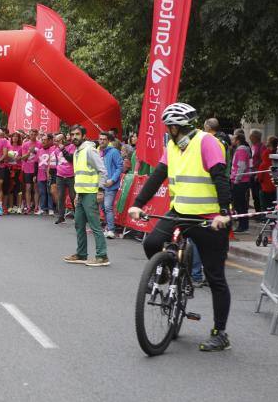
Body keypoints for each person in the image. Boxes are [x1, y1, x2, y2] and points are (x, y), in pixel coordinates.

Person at [128, 102, 233, 352]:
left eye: (169, 126)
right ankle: (165, 271)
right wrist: (137, 203)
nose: (167, 130)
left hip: (208, 218)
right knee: (152, 243)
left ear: (177, 127)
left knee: (215, 276)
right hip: (179, 211)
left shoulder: (207, 142)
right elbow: (157, 177)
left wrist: (224, 213)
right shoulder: (173, 147)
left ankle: (220, 334)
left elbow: (220, 177)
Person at [63, 125, 109, 267]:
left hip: (91, 193)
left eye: (77, 134)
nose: (74, 137)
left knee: (95, 225)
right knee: (79, 224)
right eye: (72, 134)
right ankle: (81, 254)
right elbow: (80, 175)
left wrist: (100, 190)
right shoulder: (77, 151)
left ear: (84, 136)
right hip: (81, 194)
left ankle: (102, 256)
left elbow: (102, 171)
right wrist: (77, 194)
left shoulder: (89, 150)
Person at [98, 131, 123, 238]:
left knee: (108, 207)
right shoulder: (99, 151)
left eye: (104, 139)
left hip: (111, 185)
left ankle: (111, 230)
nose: (102, 141)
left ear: (108, 141)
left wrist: (112, 180)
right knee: (103, 207)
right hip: (101, 185)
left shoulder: (114, 152)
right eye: (100, 139)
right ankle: (108, 227)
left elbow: (120, 167)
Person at [230, 132, 253, 232]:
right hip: (242, 180)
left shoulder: (241, 150)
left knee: (240, 204)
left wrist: (236, 180)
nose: (232, 141)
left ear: (238, 140)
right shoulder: (243, 150)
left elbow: (241, 166)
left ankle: (243, 225)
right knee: (241, 204)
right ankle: (243, 224)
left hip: (240, 181)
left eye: (234, 139)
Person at [54, 133, 76, 224]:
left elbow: (71, 159)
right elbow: (57, 162)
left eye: (57, 140)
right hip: (60, 176)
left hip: (71, 176)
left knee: (73, 197)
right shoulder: (56, 150)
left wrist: (63, 149)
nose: (55, 142)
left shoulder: (71, 146)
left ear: (62, 140)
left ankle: (77, 216)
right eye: (55, 140)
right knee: (60, 197)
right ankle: (61, 216)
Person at [36, 134, 56, 216]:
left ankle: (51, 208)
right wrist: (34, 175)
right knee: (42, 192)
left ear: (49, 141)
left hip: (49, 174)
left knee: (49, 192)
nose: (43, 141)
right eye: (42, 140)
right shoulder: (39, 151)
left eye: (45, 140)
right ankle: (43, 208)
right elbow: (36, 163)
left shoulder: (52, 150)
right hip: (40, 174)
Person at [21, 129, 40, 214]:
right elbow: (23, 158)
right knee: (28, 188)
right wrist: (29, 152)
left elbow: (42, 155)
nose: (32, 136)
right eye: (31, 134)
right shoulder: (25, 144)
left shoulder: (40, 144)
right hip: (27, 169)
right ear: (29, 134)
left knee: (36, 188)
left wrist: (35, 151)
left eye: (34, 134)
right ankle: (28, 206)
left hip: (36, 169)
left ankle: (36, 206)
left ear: (37, 134)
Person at [259, 136, 278, 211]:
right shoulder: (277, 157)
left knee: (266, 206)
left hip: (265, 187)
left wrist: (259, 179)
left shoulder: (266, 156)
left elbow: (261, 175)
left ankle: (268, 220)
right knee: (274, 205)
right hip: (276, 187)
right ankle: (273, 219)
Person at [249, 128, 264, 213]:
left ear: (256, 137)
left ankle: (260, 212)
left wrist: (257, 172)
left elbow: (262, 160)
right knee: (254, 195)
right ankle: (257, 211)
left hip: (257, 174)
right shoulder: (252, 146)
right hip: (252, 173)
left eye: (251, 136)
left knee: (258, 194)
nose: (250, 137)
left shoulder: (262, 146)